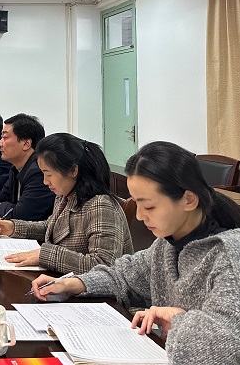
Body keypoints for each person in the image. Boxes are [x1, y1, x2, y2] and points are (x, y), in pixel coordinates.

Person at [31, 141, 240, 365]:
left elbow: (226, 348)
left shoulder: (229, 255)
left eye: (148, 206)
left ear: (188, 200)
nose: (139, 216)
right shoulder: (167, 244)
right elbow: (124, 276)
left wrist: (179, 319)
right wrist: (74, 283)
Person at [0, 133, 133, 273]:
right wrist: (13, 227)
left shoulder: (101, 205)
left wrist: (45, 255)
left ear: (73, 170)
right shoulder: (65, 195)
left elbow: (103, 265)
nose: (45, 181)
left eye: (49, 174)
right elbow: (51, 228)